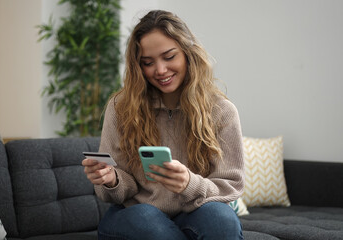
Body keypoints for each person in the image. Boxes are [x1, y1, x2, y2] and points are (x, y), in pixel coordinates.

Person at [82, 10, 244, 240]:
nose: (160, 70)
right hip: (135, 214)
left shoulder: (222, 111)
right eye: (148, 62)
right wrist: (112, 179)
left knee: (221, 219)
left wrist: (190, 183)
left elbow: (230, 186)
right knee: (147, 220)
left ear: (188, 53)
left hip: (194, 210)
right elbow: (116, 190)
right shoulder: (121, 107)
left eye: (169, 57)